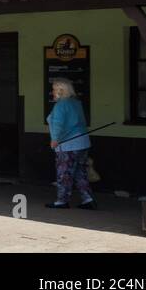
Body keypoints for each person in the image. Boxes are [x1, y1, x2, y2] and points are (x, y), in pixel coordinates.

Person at [45, 78, 96, 209]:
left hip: (68, 145)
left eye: (54, 89)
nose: (52, 92)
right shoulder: (76, 103)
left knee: (64, 174)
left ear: (60, 90)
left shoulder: (61, 105)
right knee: (80, 173)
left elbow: (58, 124)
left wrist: (54, 140)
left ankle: (62, 201)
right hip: (83, 142)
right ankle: (88, 199)